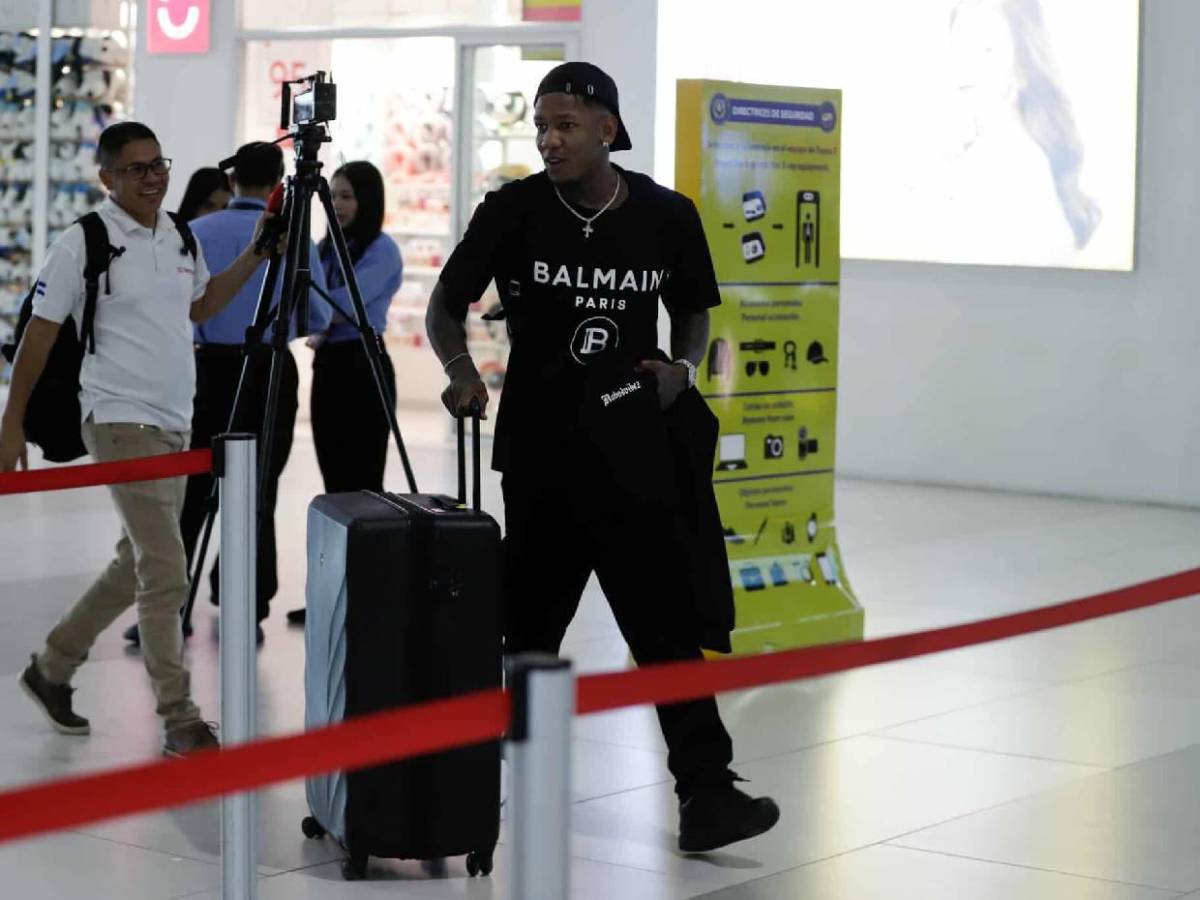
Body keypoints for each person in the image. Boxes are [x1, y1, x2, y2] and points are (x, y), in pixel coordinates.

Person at [425, 62, 780, 853]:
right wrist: (457, 372)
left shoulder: (665, 215)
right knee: (522, 636)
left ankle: (708, 796)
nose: (550, 140)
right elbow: (445, 306)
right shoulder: (512, 212)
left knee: (664, 631)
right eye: (542, 127)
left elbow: (693, 313)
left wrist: (682, 374)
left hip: (633, 455)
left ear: (608, 129)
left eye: (567, 126)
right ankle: (464, 789)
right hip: (543, 459)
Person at [0, 122, 278, 756]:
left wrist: (257, 254)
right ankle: (179, 716)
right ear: (107, 177)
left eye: (159, 165)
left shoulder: (179, 234)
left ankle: (52, 666)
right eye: (136, 169)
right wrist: (10, 422)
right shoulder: (85, 241)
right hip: (117, 417)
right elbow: (39, 335)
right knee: (164, 569)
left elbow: (201, 307)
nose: (153, 177)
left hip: (174, 419)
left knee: (137, 564)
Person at [122, 142, 330, 646]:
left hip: (206, 371)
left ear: (232, 181)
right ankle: (246, 606)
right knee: (257, 494)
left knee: (191, 492)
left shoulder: (195, 232)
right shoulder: (292, 238)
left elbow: (172, 307)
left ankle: (172, 606)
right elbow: (318, 317)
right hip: (271, 370)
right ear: (280, 180)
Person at [286, 161, 402, 627]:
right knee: (334, 489)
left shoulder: (382, 249)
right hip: (331, 367)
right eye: (332, 196)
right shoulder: (327, 248)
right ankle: (334, 598)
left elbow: (341, 304)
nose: (337, 205)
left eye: (347, 196)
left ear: (368, 200)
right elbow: (305, 303)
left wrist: (317, 316)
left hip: (364, 365)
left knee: (364, 486)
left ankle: (369, 596)